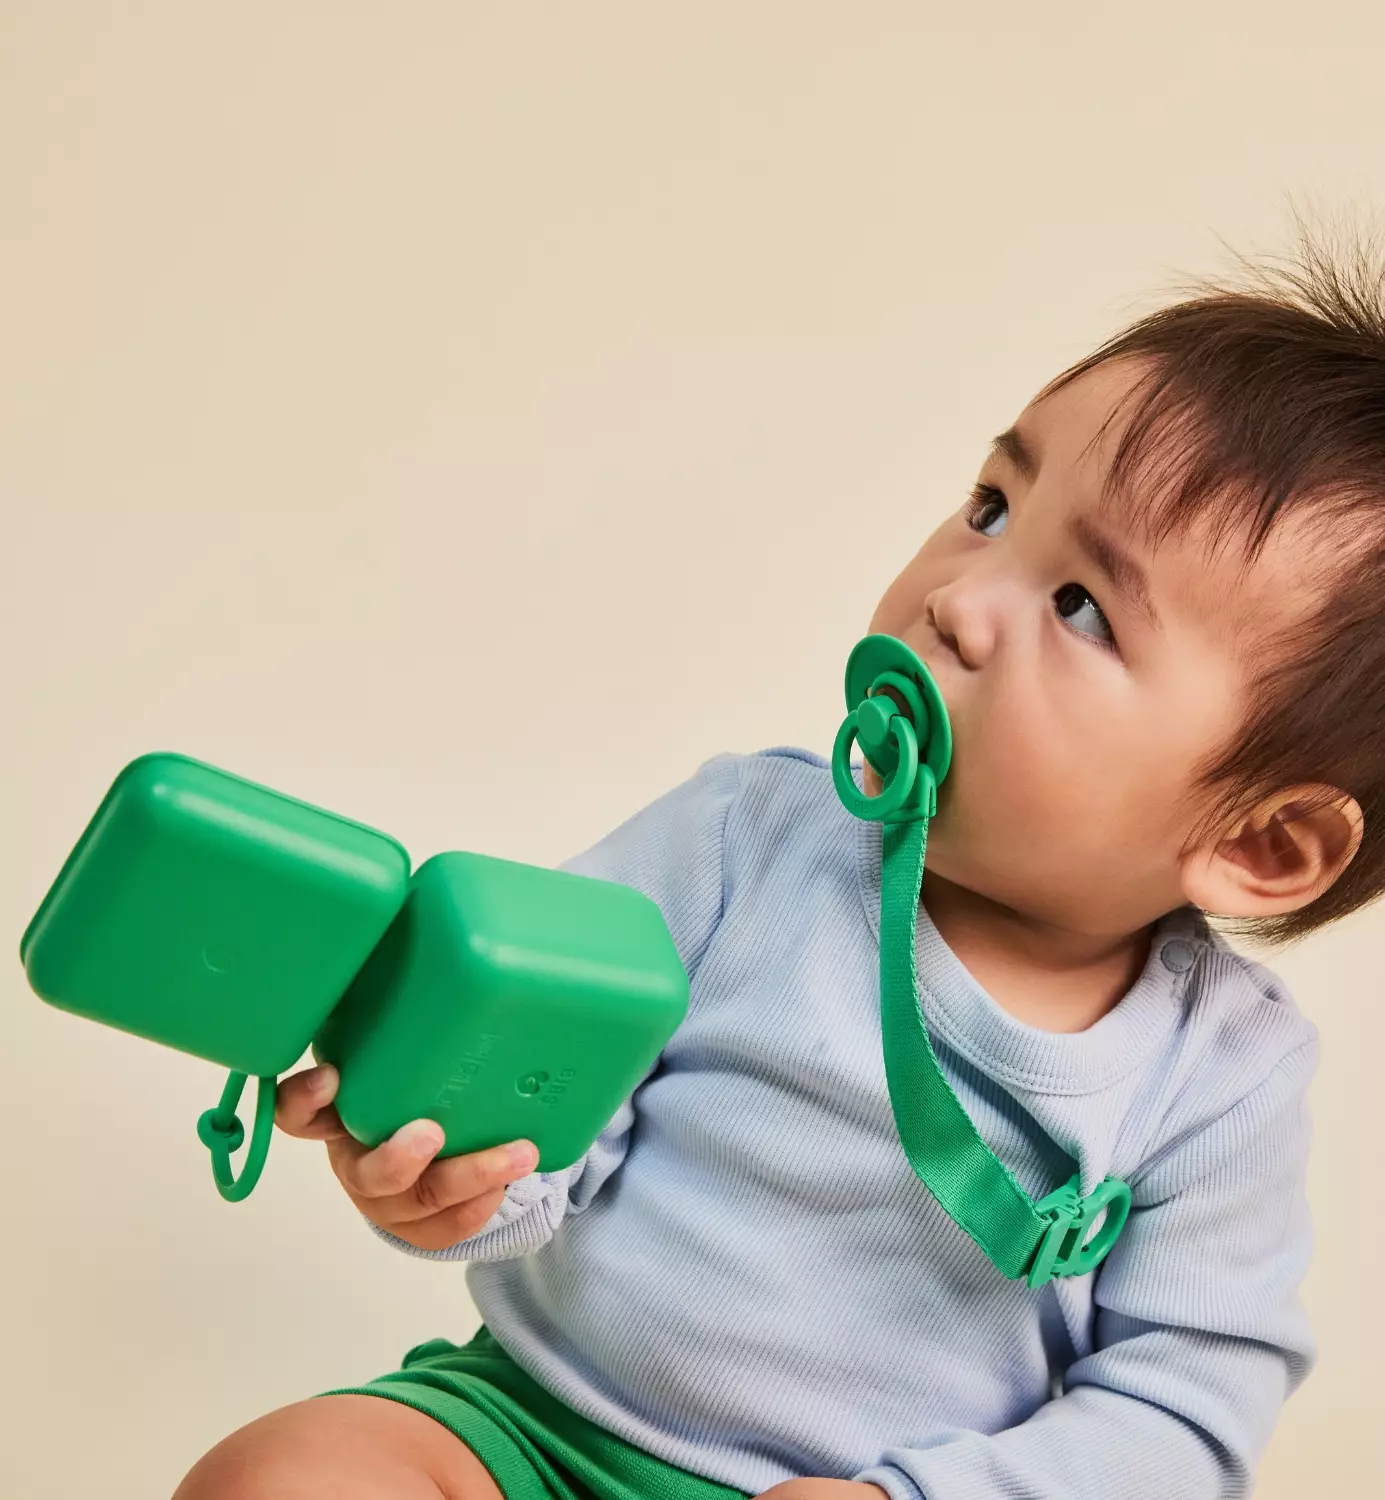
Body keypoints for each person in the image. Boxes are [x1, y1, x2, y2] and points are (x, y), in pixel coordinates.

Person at [174, 224, 1385, 1500]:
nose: (959, 599)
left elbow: (1179, 1417)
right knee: (288, 1475)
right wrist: (459, 1179)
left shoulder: (1216, 1079)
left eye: (1079, 606)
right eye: (990, 508)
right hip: (529, 1427)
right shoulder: (740, 841)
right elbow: (544, 1108)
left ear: (1257, 843)